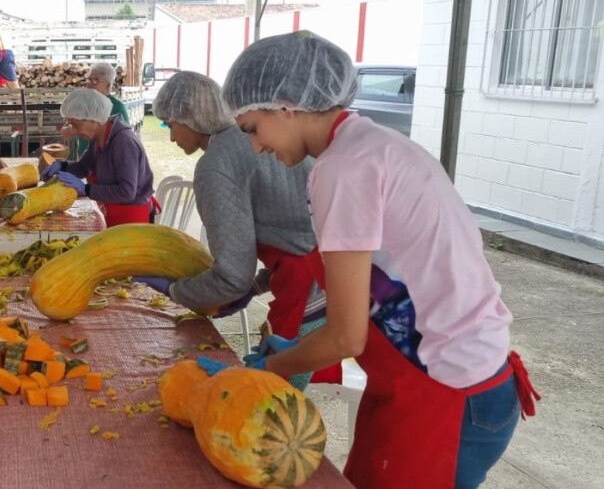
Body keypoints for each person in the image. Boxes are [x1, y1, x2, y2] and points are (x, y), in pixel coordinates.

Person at [220, 31, 539, 489]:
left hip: (447, 390)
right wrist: (294, 350)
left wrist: (270, 369)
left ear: (286, 103)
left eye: (252, 128)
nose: (255, 147)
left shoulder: (344, 168)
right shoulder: (367, 146)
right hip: (444, 379)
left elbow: (346, 336)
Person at [132, 71, 338, 390]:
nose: (171, 137)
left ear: (192, 118)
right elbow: (293, 231)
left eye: (170, 124)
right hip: (328, 279)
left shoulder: (216, 164)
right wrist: (254, 288)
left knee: (272, 401)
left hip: (307, 291)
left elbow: (231, 276)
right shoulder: (252, 137)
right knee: (279, 387)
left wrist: (176, 290)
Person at [42, 88, 154, 227]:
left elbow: (126, 192)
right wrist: (62, 166)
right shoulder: (99, 137)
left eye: (76, 125)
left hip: (130, 216)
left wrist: (86, 189)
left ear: (93, 120)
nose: (74, 131)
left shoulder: (123, 142)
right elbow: (84, 167)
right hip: (110, 209)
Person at [63, 62, 131, 161]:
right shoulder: (84, 103)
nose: (88, 84)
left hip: (107, 162)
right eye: (89, 79)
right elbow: (69, 125)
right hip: (84, 161)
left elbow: (125, 141)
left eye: (95, 80)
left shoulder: (117, 107)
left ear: (107, 85)